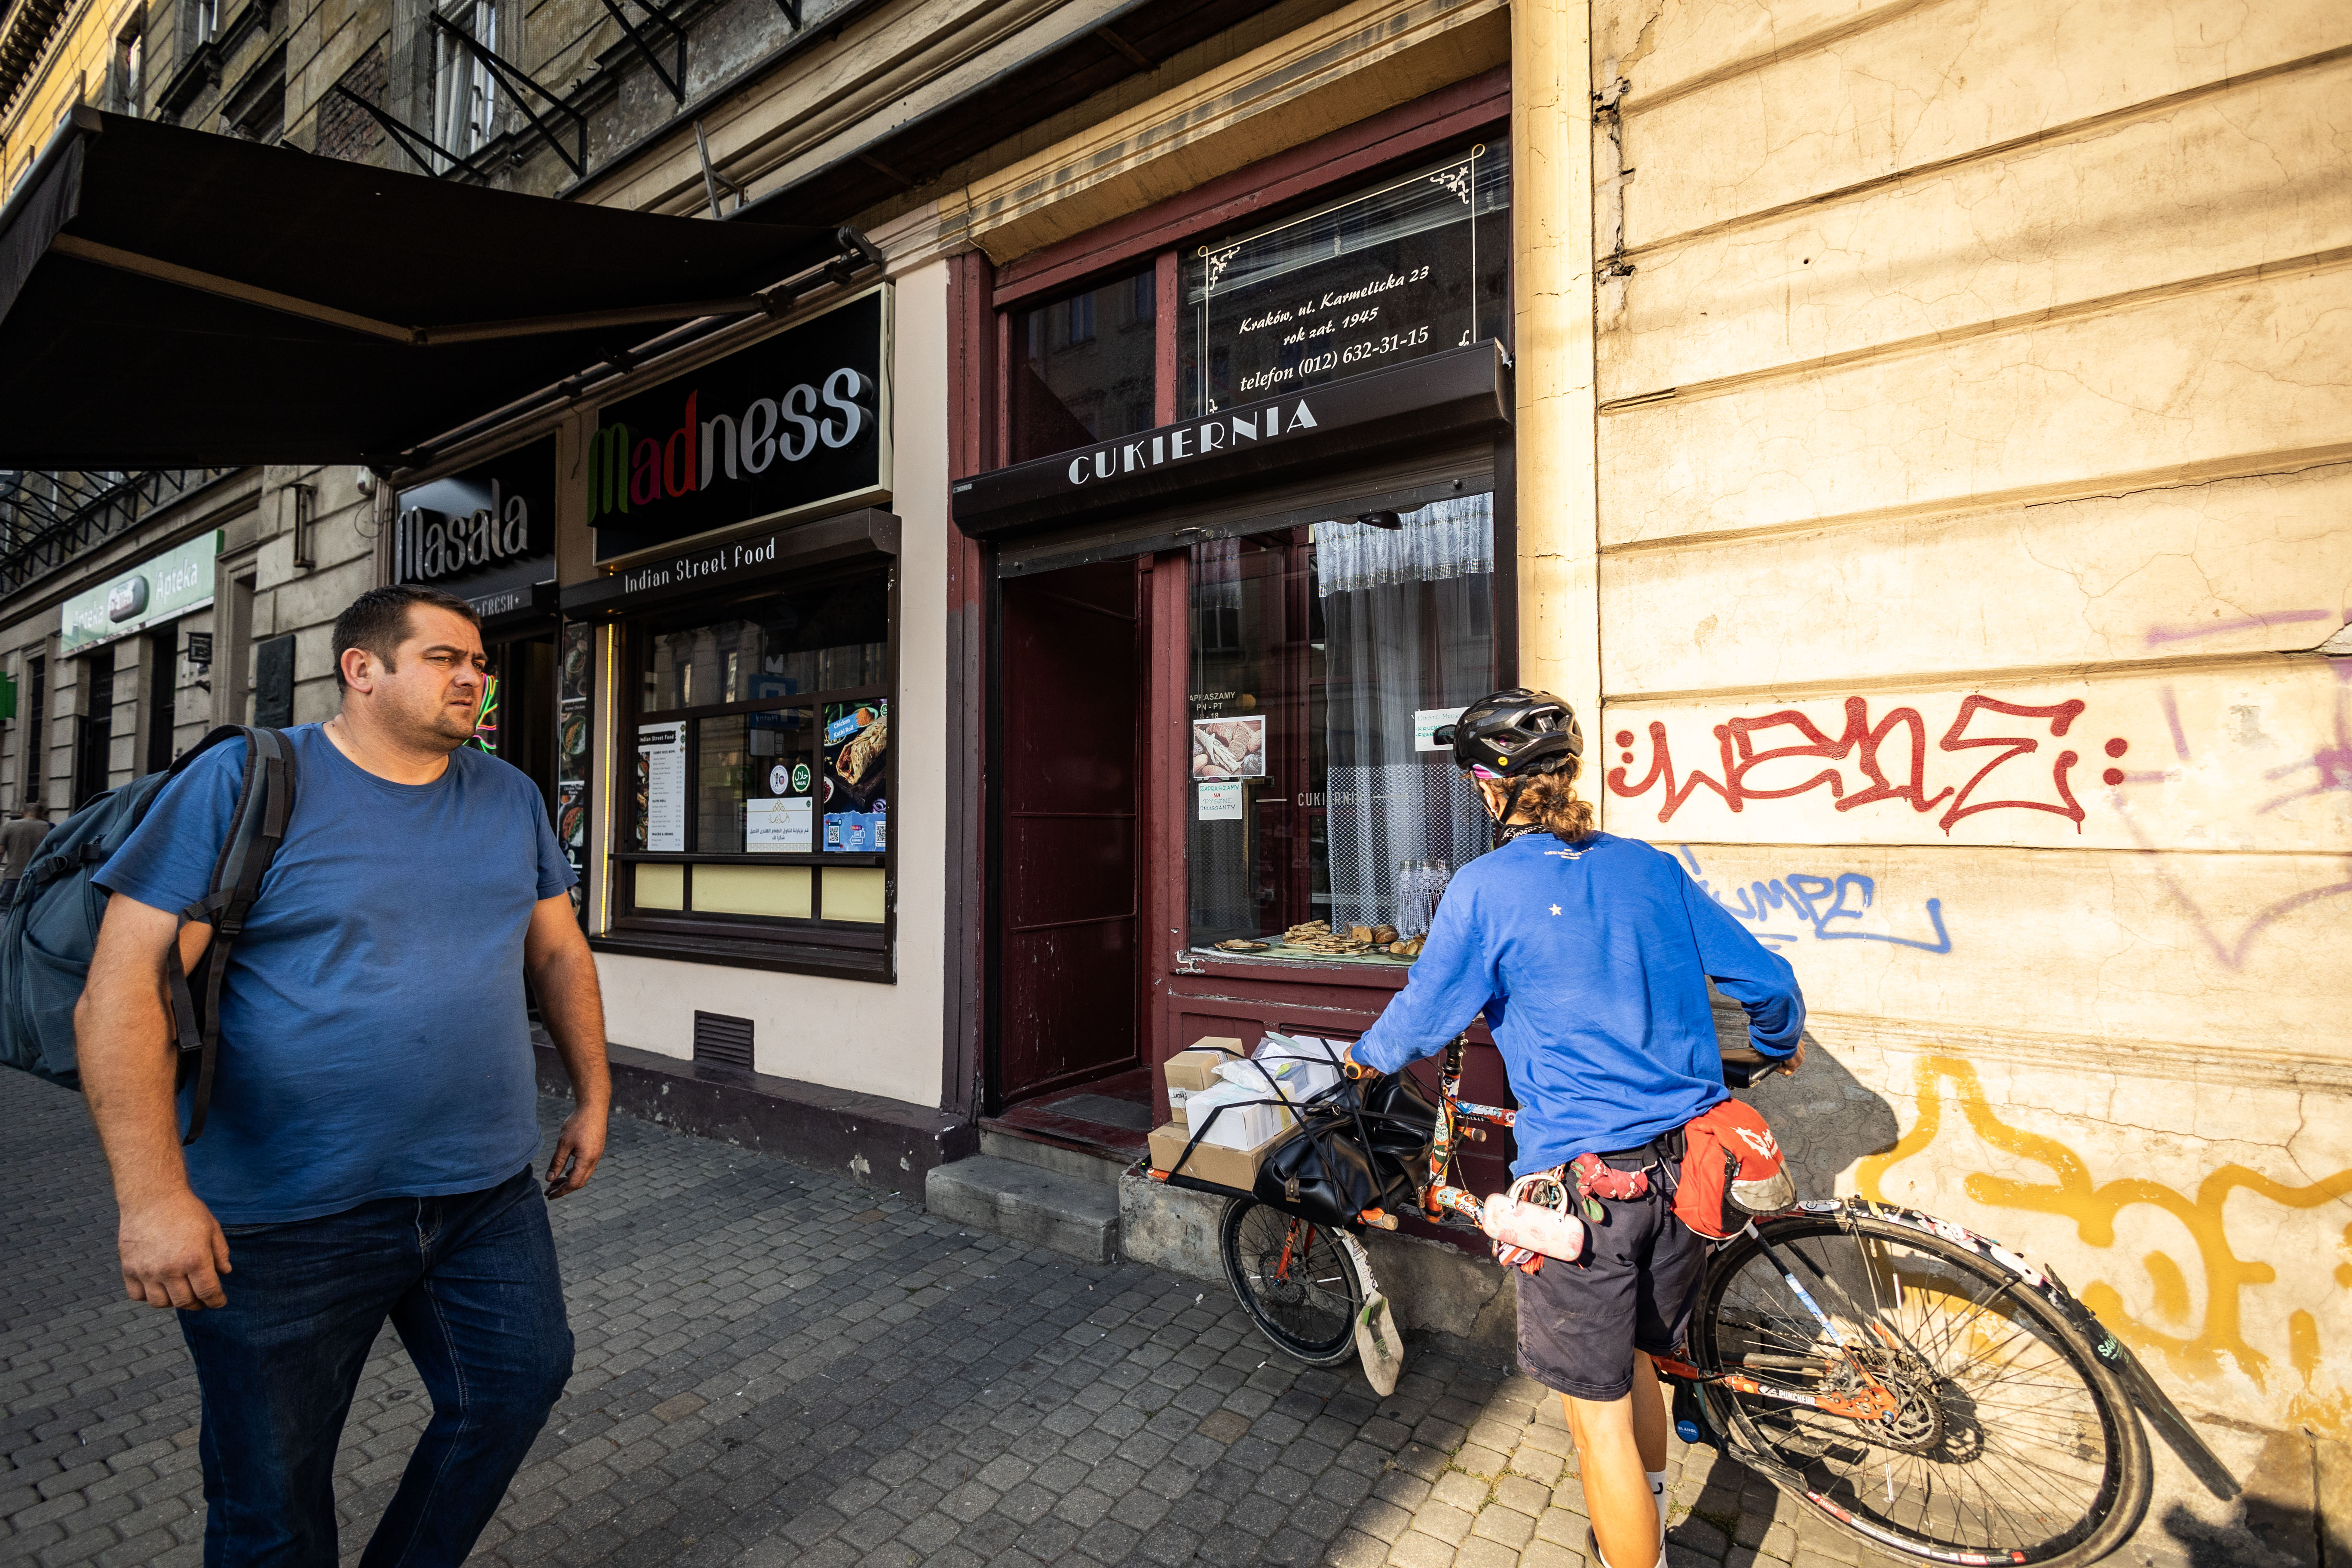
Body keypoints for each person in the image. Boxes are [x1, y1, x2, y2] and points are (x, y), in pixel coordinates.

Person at [75, 584, 612, 1567]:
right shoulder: (248, 783)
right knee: (271, 1499)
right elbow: (121, 996)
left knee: (516, 1385)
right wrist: (151, 1197)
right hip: (288, 1217)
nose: (473, 678)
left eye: (480, 663)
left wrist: (594, 1095)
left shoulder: (511, 796)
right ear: (361, 670)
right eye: (445, 658)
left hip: (484, 1192)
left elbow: (558, 954)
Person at [1343, 689, 1804, 1568]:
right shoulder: (1650, 869)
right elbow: (1769, 981)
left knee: (1596, 1430)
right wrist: (1777, 1047)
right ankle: (1653, 1523)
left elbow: (1424, 1014)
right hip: (1688, 1178)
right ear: (1568, 772)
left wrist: (1366, 1057)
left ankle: (1637, 1551)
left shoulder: (1483, 890)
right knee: (1640, 1363)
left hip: (1584, 1193)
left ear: (1489, 788)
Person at [0, 796, 50, 905]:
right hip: (38, 876)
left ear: (22, 814)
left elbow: (1, 851)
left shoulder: (9, 826)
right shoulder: (48, 827)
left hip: (14, 875)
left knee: (5, 907)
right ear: (41, 815)